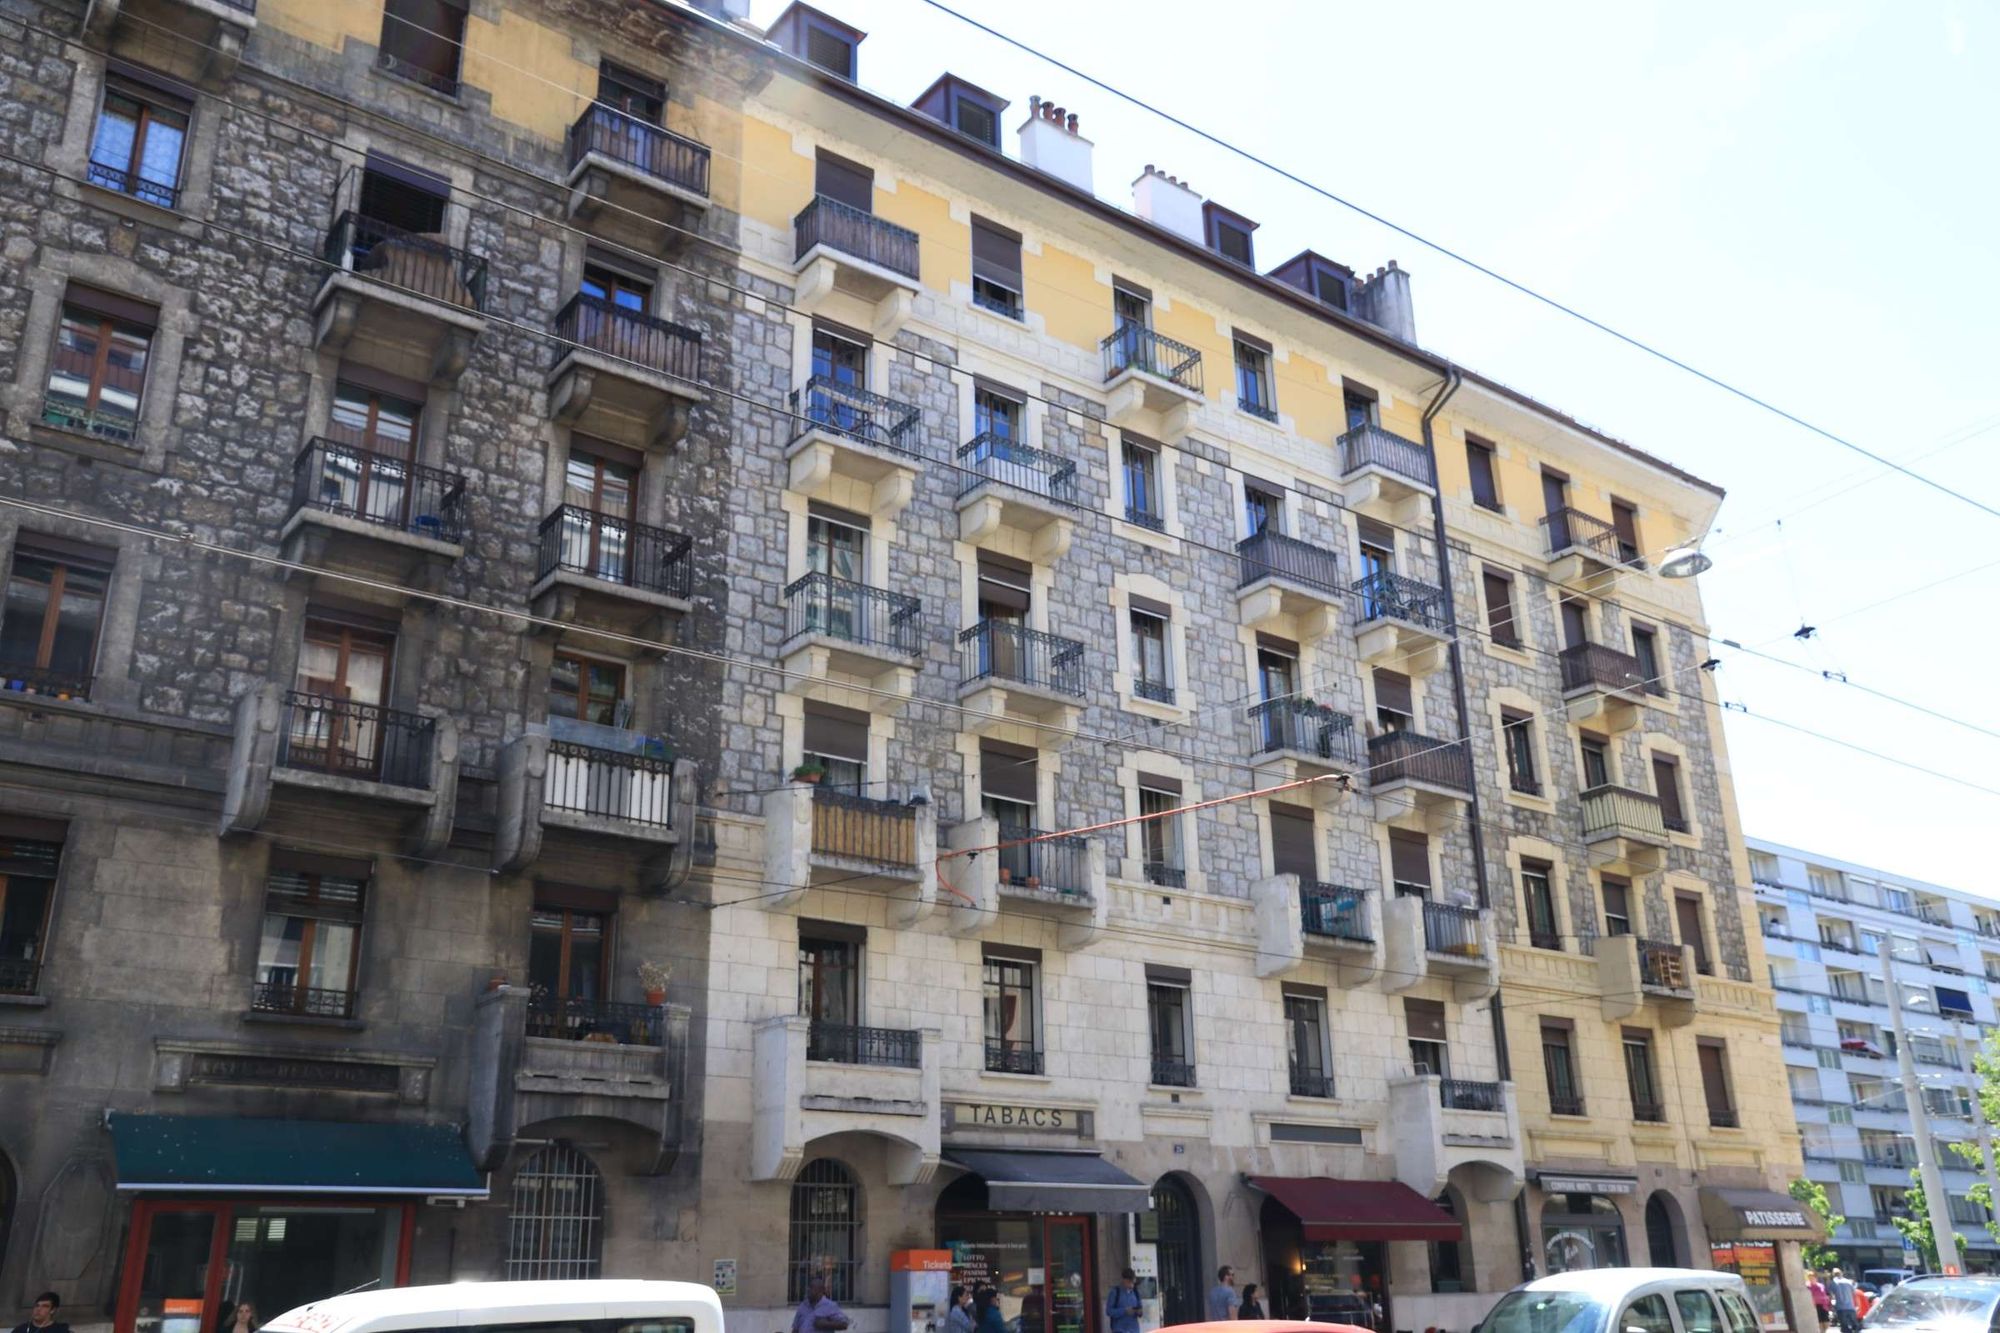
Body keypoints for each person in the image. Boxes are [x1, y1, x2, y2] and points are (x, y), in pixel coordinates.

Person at [1829, 1269, 1859, 1333]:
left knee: (1844, 1327)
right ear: (1841, 1273)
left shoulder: (1833, 1283)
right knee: (1855, 1326)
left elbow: (1831, 1296)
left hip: (1840, 1308)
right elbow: (1854, 1294)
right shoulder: (1848, 1282)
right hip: (1851, 1307)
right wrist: (1856, 1305)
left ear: (1833, 1275)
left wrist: (1831, 1306)